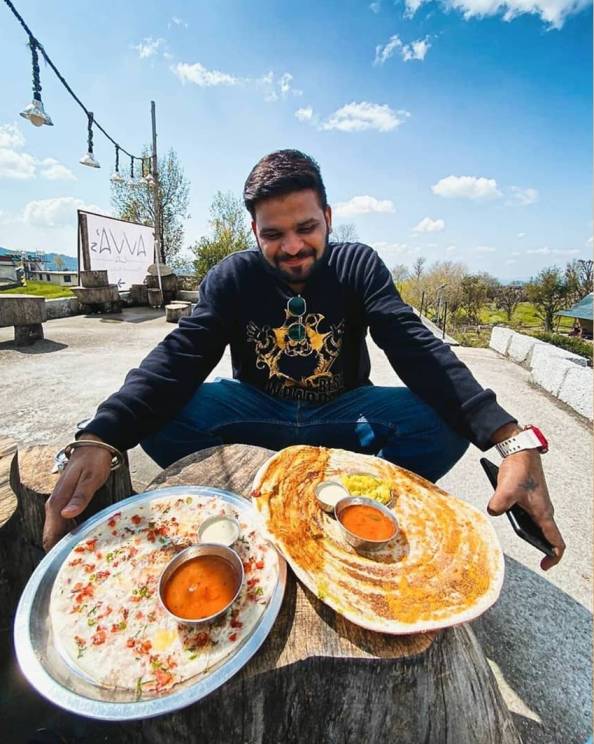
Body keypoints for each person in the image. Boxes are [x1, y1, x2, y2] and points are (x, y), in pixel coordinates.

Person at [43, 149, 565, 570]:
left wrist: (507, 436)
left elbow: (413, 344)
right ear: (254, 232)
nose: (292, 247)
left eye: (306, 228)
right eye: (273, 234)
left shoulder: (358, 265)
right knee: (162, 411)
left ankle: (354, 508)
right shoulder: (232, 278)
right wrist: (102, 434)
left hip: (343, 413)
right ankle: (258, 505)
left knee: (445, 421)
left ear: (329, 219)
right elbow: (179, 355)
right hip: (256, 411)